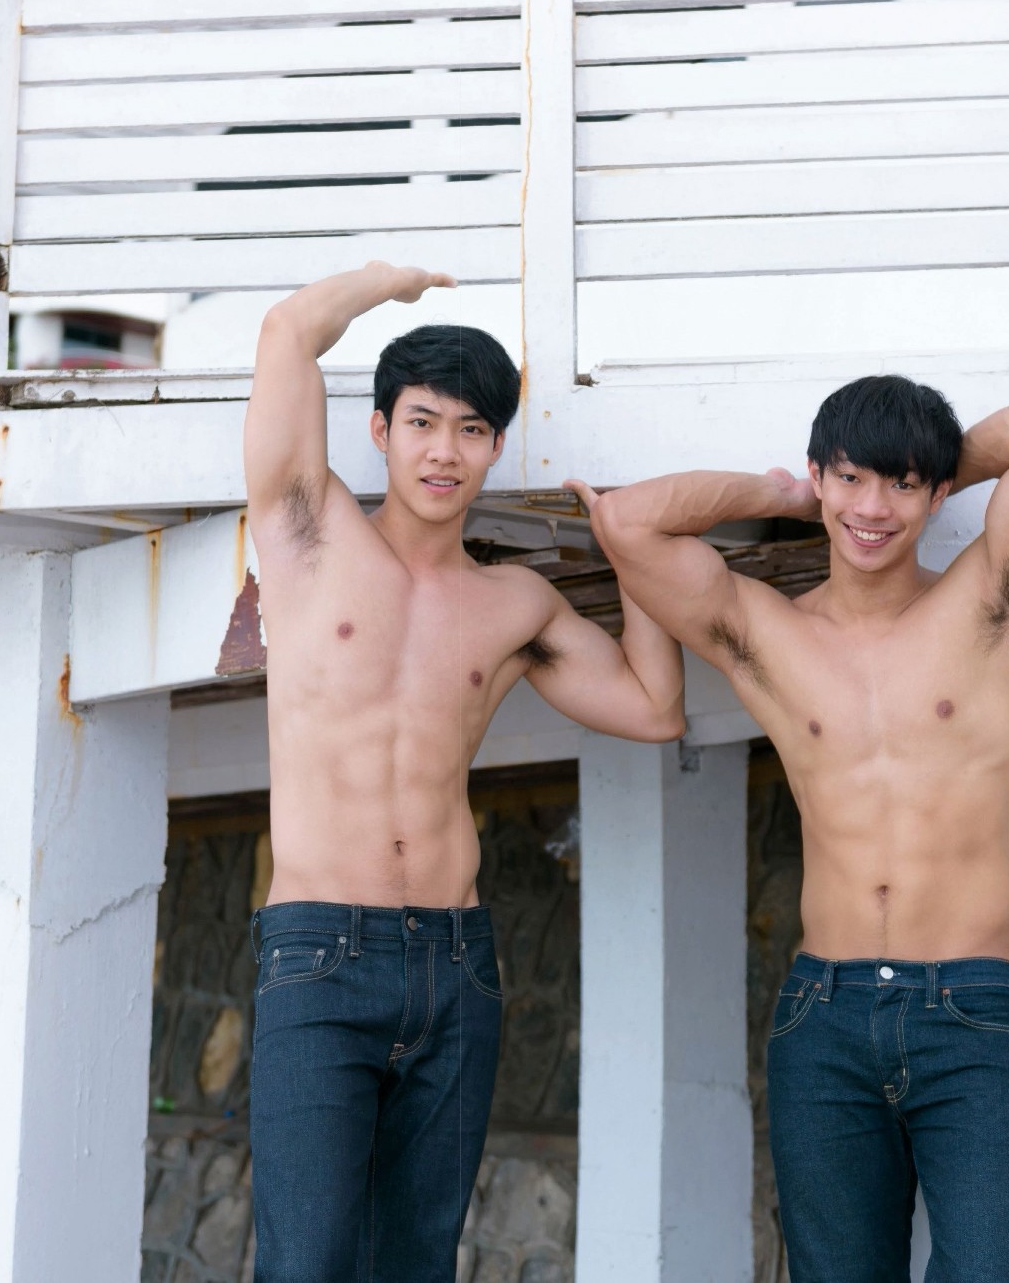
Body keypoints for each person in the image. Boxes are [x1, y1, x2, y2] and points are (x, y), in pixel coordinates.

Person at [580, 375, 1009, 1282]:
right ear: (820, 477)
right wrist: (781, 494)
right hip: (826, 1015)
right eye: (851, 478)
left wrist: (928, 463)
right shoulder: (766, 633)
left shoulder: (989, 603)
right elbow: (627, 522)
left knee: (1004, 1263)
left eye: (902, 486)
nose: (873, 508)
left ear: (938, 494)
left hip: (970, 1008)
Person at [243, 262, 686, 1283]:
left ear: (494, 445)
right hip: (320, 954)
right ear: (380, 430)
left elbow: (653, 707)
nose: (445, 450)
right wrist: (389, 282)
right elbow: (286, 331)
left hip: (454, 961)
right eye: (423, 422)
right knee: (305, 1263)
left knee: (417, 1262)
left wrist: (634, 553)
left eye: (472, 429)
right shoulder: (307, 532)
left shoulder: (514, 602)